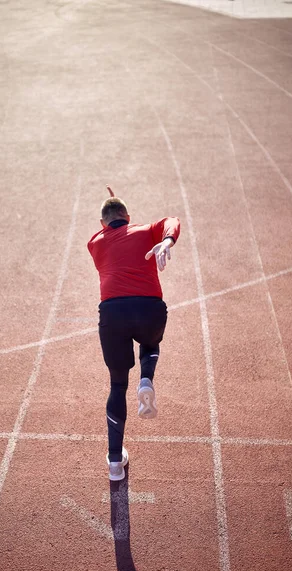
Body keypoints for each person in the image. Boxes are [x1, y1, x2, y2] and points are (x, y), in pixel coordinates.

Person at [87, 185, 181, 481]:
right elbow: (172, 221)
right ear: (129, 216)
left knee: (116, 386)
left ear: (103, 224)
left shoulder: (95, 243)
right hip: (150, 308)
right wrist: (166, 241)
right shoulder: (145, 231)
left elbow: (110, 231)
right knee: (150, 342)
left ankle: (115, 461)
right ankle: (147, 377)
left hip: (113, 313)